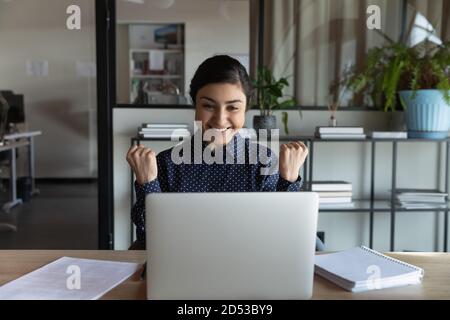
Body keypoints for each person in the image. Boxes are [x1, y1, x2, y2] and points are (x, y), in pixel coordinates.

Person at [126, 55, 309, 249]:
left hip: (251, 264)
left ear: (246, 109)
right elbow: (148, 239)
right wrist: (147, 184)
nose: (220, 120)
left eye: (233, 107)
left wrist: (288, 181)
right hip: (184, 263)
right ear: (194, 104)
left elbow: (281, 235)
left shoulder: (264, 163)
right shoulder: (166, 164)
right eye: (208, 106)